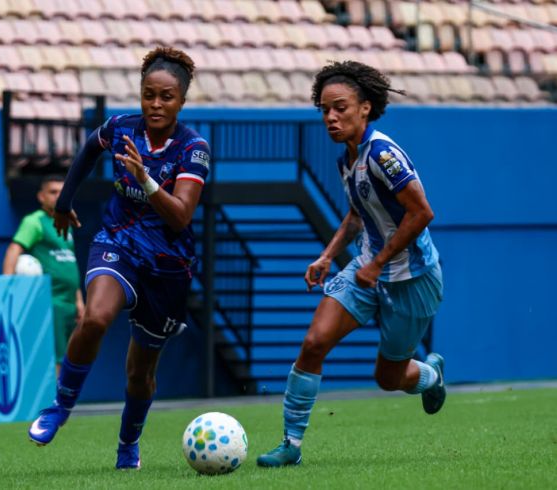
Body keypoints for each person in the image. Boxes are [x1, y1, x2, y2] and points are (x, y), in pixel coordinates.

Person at [27, 47, 210, 470]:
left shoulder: (193, 149)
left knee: (139, 374)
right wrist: (64, 202)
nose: (156, 104)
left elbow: (181, 216)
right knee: (94, 318)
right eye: (149, 95)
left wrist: (145, 178)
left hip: (167, 266)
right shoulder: (120, 128)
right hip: (119, 243)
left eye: (166, 97)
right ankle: (60, 407)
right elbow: (89, 150)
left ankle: (128, 445)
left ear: (182, 101)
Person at [256, 60, 445, 468]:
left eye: (340, 107)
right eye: (325, 110)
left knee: (388, 378)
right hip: (365, 269)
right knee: (314, 343)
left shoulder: (383, 154)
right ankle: (291, 444)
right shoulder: (348, 159)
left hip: (412, 278)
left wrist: (378, 264)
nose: (331, 117)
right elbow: (358, 215)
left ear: (365, 107)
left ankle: (431, 376)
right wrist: (327, 255)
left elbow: (422, 213)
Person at [3, 175, 85, 376]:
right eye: (53, 192)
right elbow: (14, 250)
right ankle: (55, 397)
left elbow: (69, 261)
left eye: (62, 192)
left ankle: (61, 396)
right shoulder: (34, 221)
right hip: (51, 301)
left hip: (69, 304)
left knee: (69, 359)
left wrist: (79, 301)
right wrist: (6, 288)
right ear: (41, 196)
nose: (58, 196)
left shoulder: (66, 222)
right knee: (56, 360)